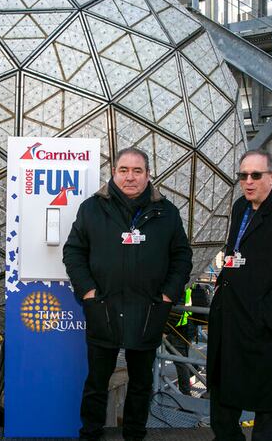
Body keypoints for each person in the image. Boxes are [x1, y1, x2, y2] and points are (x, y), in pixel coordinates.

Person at [63, 147, 193, 441]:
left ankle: (135, 435)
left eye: (137, 171)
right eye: (124, 170)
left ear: (148, 175)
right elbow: (73, 252)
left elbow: (182, 257)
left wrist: (167, 296)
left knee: (141, 382)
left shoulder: (167, 213)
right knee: (97, 382)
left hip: (148, 311)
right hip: (103, 308)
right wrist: (88, 293)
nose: (130, 177)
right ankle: (90, 434)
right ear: (114, 173)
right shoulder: (92, 209)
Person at [207, 149, 272, 441]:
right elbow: (236, 255)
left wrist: (263, 319)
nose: (248, 181)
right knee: (222, 409)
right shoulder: (241, 207)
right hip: (229, 323)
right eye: (243, 175)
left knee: (267, 408)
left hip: (261, 331)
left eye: (256, 175)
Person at [165, 285, 194, 395]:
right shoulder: (187, 282)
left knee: (180, 361)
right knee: (182, 359)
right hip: (184, 325)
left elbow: (177, 309)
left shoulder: (180, 284)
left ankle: (185, 393)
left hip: (180, 327)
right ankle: (191, 373)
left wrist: (165, 331)